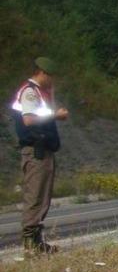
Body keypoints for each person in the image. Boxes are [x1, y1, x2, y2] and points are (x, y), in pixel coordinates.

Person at [10, 57, 68, 253]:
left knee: (43, 196)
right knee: (35, 196)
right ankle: (31, 243)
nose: (52, 80)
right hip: (36, 151)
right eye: (50, 76)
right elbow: (29, 120)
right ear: (42, 72)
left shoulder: (41, 93)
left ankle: (36, 241)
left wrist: (51, 98)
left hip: (43, 150)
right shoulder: (30, 92)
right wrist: (56, 115)